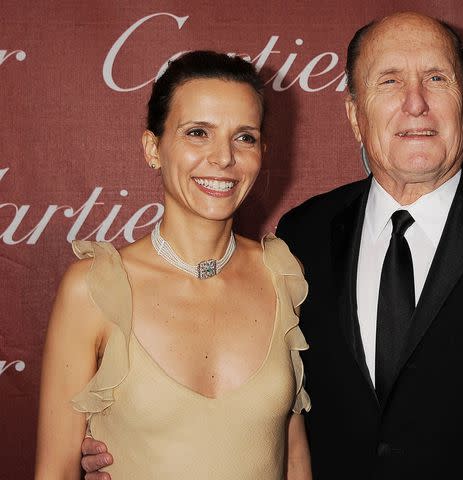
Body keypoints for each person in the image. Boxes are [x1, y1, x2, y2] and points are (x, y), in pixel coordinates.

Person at [81, 12, 463, 480]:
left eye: (436, 79)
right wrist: (128, 442)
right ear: (353, 114)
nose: (415, 103)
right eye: (388, 81)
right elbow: (258, 399)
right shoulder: (301, 237)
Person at [35, 50, 311, 480]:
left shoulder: (282, 274)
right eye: (198, 132)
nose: (223, 158)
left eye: (244, 137)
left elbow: (293, 456)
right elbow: (55, 472)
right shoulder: (94, 287)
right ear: (153, 148)